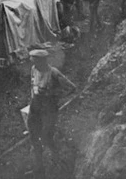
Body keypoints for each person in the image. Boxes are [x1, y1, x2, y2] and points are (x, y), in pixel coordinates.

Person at [28, 49, 77, 177]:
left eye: (34, 59)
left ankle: (57, 161)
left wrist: (55, 96)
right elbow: (32, 86)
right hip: (35, 107)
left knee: (46, 136)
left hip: (48, 110)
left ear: (42, 60)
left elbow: (72, 87)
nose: (32, 61)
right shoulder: (33, 69)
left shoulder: (53, 73)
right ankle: (39, 168)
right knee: (33, 136)